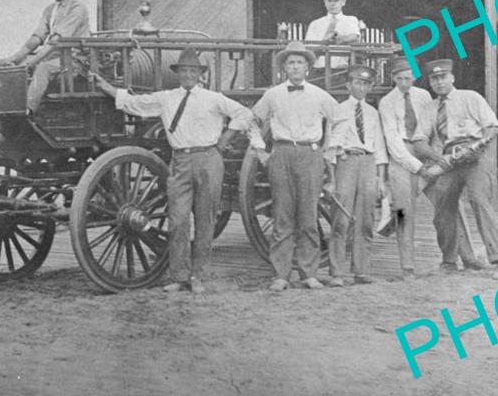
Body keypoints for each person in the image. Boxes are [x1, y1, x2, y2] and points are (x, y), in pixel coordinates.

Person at [93, 48, 251, 294]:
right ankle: (179, 276)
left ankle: (199, 276)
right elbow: (135, 103)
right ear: (178, 74)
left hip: (208, 159)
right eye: (184, 71)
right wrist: (106, 87)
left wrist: (225, 138)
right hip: (180, 161)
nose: (188, 75)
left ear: (200, 74)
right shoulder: (166, 98)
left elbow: (244, 113)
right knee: (177, 220)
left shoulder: (213, 98)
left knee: (205, 220)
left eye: (193, 71)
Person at [378, 58, 483, 276]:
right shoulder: (386, 102)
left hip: (426, 152)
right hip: (402, 157)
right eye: (399, 79)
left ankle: (468, 257)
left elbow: (432, 129)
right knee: (403, 212)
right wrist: (417, 167)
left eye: (408, 78)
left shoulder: (424, 96)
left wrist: (436, 159)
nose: (405, 83)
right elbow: (393, 141)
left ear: (414, 77)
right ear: (393, 79)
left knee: (451, 204)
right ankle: (407, 267)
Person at [249, 40, 338, 291]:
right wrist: (260, 151)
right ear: (284, 67)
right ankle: (281, 275)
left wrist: (328, 151)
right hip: (282, 153)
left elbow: (341, 120)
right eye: (291, 62)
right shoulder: (273, 94)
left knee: (308, 216)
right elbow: (252, 121)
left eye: (300, 62)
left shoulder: (320, 96)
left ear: (307, 68)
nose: (296, 67)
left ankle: (308, 273)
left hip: (310, 155)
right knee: (283, 216)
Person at [424, 59, 498, 268]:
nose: (439, 82)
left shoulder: (470, 97)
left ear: (452, 78)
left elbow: (493, 127)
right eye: (434, 79)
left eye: (443, 77)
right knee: (442, 207)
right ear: (430, 83)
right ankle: (449, 261)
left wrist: (478, 145)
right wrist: (437, 159)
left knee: (479, 200)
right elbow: (418, 140)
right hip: (449, 158)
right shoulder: (431, 108)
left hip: (474, 155)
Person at [323, 65, 387, 286]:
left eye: (366, 83)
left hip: (368, 164)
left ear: (370, 87)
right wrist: (331, 179)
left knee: (366, 219)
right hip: (346, 162)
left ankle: (361, 270)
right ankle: (337, 273)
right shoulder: (338, 110)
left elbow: (379, 146)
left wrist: (380, 178)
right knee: (341, 219)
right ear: (349, 85)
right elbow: (331, 146)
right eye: (357, 83)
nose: (361, 87)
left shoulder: (373, 113)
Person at [0, 0, 90, 112]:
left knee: (43, 68)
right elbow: (36, 39)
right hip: (53, 57)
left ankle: (27, 111)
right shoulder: (50, 10)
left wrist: (32, 63)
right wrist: (13, 59)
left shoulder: (76, 8)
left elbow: (55, 42)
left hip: (73, 61)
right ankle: (2, 108)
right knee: (7, 66)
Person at [305, 0, 365, 76]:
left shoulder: (350, 20)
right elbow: (308, 49)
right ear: (324, 2)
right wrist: (324, 42)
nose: (332, 4)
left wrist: (339, 39)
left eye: (336, 0)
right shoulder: (315, 24)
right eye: (329, 0)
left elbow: (355, 37)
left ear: (343, 2)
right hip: (317, 70)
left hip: (339, 71)